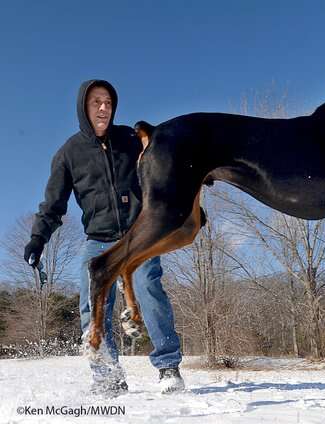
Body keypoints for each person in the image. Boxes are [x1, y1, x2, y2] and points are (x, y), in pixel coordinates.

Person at [23, 80, 185, 395]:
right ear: (84, 107)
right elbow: (53, 205)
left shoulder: (130, 139)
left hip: (138, 235)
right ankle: (108, 376)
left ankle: (168, 368)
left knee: (148, 288)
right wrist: (37, 239)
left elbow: (163, 160)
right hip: (97, 240)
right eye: (97, 102)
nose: (103, 108)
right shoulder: (69, 153)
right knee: (90, 303)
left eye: (108, 102)